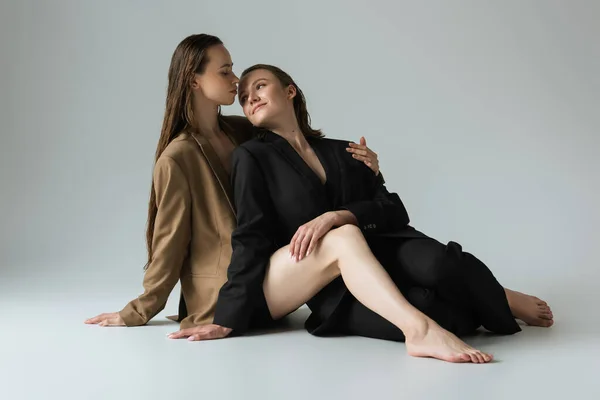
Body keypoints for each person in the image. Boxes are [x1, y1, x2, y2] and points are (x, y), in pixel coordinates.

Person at [167, 64, 554, 364]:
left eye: (260, 86)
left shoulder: (344, 150)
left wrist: (341, 213)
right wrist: (228, 314)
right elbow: (249, 234)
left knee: (439, 265)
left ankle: (497, 296)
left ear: (290, 91)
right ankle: (435, 324)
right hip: (321, 281)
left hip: (379, 251)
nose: (249, 96)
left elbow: (393, 210)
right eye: (244, 95)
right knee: (443, 313)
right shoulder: (252, 157)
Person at [84, 35, 381, 329]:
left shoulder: (245, 131)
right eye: (224, 71)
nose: (237, 80)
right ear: (194, 81)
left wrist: (368, 169)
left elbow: (309, 167)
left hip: (275, 274)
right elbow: (170, 242)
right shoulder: (178, 158)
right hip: (227, 297)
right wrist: (140, 309)